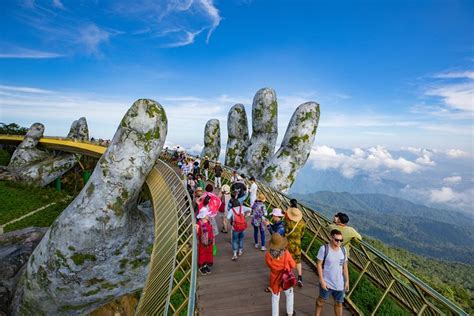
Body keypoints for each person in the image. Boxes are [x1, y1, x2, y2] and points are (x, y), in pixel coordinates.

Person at [316, 229, 349, 316]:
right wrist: (321, 280)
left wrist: (347, 281)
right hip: (327, 281)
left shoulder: (343, 251)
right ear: (331, 238)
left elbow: (345, 266)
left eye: (341, 240)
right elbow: (319, 264)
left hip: (339, 283)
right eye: (336, 240)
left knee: (339, 303)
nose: (339, 242)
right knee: (321, 301)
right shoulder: (324, 249)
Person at [265, 233, 296, 316]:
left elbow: (268, 265)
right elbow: (293, 265)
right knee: (289, 294)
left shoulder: (268, 255)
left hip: (274, 279)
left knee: (275, 298)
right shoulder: (286, 253)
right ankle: (290, 313)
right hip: (286, 278)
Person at [285, 199, 306, 287]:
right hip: (297, 244)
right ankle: (300, 277)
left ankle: (289, 277)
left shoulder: (288, 221)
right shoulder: (302, 223)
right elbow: (302, 234)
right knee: (297, 260)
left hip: (288, 243)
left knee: (287, 259)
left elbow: (285, 232)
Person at [196, 202, 214, 275]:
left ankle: (205, 265)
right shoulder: (199, 224)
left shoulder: (208, 222)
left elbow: (211, 232)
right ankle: (201, 267)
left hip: (209, 242)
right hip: (202, 243)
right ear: (204, 215)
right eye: (207, 215)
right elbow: (197, 232)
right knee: (202, 254)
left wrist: (213, 240)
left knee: (208, 254)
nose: (208, 216)